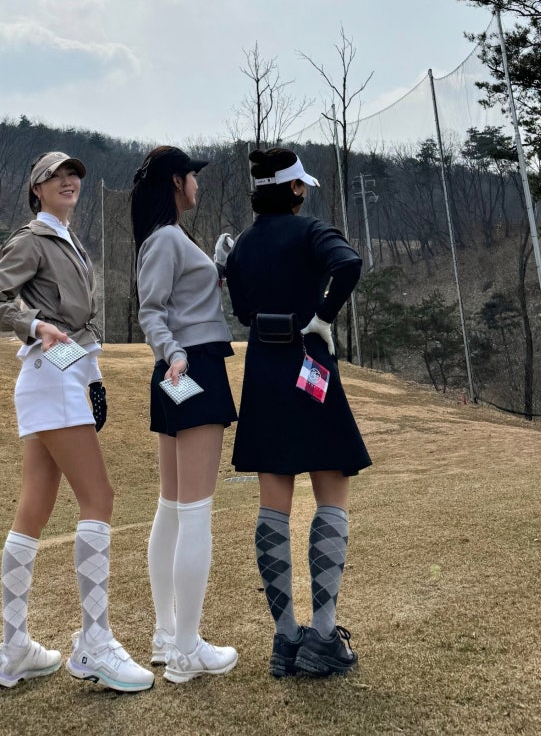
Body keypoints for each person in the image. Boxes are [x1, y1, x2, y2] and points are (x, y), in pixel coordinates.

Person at [0, 150, 154, 693]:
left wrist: (91, 375)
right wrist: (35, 326)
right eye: (55, 175)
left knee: (33, 508)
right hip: (50, 375)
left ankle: (15, 649)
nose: (68, 180)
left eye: (73, 173)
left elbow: (78, 327)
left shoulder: (68, 240)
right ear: (36, 188)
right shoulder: (32, 240)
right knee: (98, 497)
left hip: (63, 375)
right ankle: (95, 643)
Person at [224, 147, 371, 680]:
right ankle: (324, 637)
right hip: (309, 363)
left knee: (273, 507)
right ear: (294, 188)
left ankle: (286, 640)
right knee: (331, 490)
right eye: (301, 184)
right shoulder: (311, 230)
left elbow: (242, 310)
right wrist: (322, 316)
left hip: (263, 370)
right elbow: (348, 263)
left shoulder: (243, 244)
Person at [131, 146, 239, 684]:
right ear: (177, 181)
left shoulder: (170, 237)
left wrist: (216, 267)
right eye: (193, 175)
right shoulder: (165, 238)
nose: (198, 183)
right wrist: (174, 353)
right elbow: (150, 311)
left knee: (173, 507)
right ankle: (186, 649)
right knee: (193, 510)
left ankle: (167, 634)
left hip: (179, 370)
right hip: (190, 368)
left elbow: (179, 299)